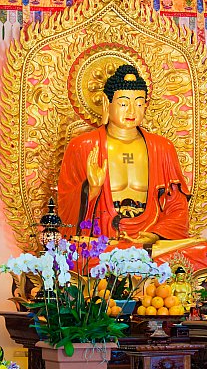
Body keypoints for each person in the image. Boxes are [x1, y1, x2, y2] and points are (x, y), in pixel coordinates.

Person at [58, 64, 191, 244]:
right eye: (123, 103)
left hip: (149, 241)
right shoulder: (83, 146)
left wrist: (156, 235)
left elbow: (177, 206)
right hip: (101, 242)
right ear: (106, 103)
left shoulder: (162, 148)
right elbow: (65, 208)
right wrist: (91, 189)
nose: (132, 111)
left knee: (198, 250)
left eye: (139, 103)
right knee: (84, 253)